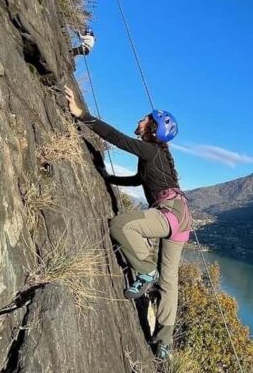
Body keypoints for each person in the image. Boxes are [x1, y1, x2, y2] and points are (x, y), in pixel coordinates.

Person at [64, 86, 191, 359]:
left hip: (169, 212)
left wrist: (80, 114)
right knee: (170, 282)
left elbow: (117, 139)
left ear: (152, 129)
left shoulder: (149, 150)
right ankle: (164, 342)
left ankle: (145, 272)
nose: (139, 120)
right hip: (181, 216)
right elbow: (138, 181)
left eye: (145, 119)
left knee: (122, 225)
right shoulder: (154, 155)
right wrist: (109, 179)